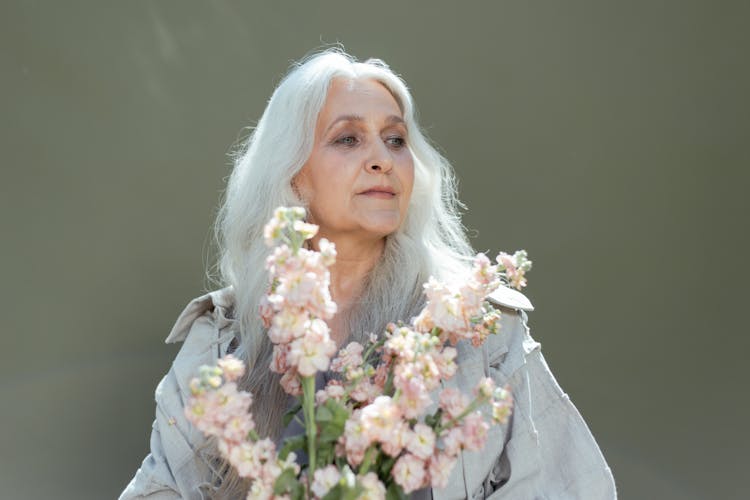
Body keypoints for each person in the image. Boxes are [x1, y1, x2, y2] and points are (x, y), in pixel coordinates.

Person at [120, 48, 617, 499]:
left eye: (396, 139)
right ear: (293, 173)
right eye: (348, 139)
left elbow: (569, 487)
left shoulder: (480, 329)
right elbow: (161, 489)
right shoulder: (221, 342)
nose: (382, 159)